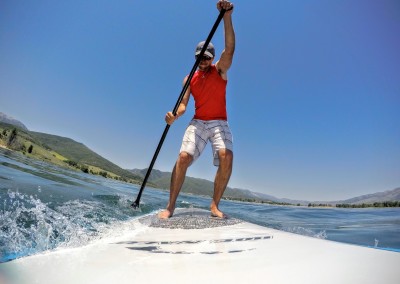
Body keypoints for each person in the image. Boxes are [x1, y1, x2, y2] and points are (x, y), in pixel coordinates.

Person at [159, 0, 235, 219]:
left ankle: (214, 205)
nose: (202, 61)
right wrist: (174, 116)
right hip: (199, 122)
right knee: (183, 157)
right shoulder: (189, 78)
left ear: (212, 59)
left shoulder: (219, 70)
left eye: (206, 58)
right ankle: (170, 206)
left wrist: (227, 16)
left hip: (219, 121)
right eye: (198, 57)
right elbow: (183, 105)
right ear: (194, 57)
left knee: (226, 156)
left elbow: (229, 49)